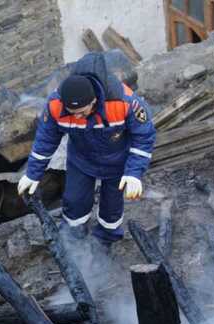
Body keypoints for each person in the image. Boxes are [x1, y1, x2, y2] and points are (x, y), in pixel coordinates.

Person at [17, 53, 156, 246]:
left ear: (94, 100)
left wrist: (134, 173)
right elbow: (46, 139)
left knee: (112, 207)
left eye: (83, 112)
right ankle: (75, 239)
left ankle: (106, 242)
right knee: (74, 201)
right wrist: (33, 173)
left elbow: (144, 136)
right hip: (81, 160)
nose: (79, 117)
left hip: (117, 162)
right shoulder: (56, 106)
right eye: (73, 113)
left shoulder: (124, 102)